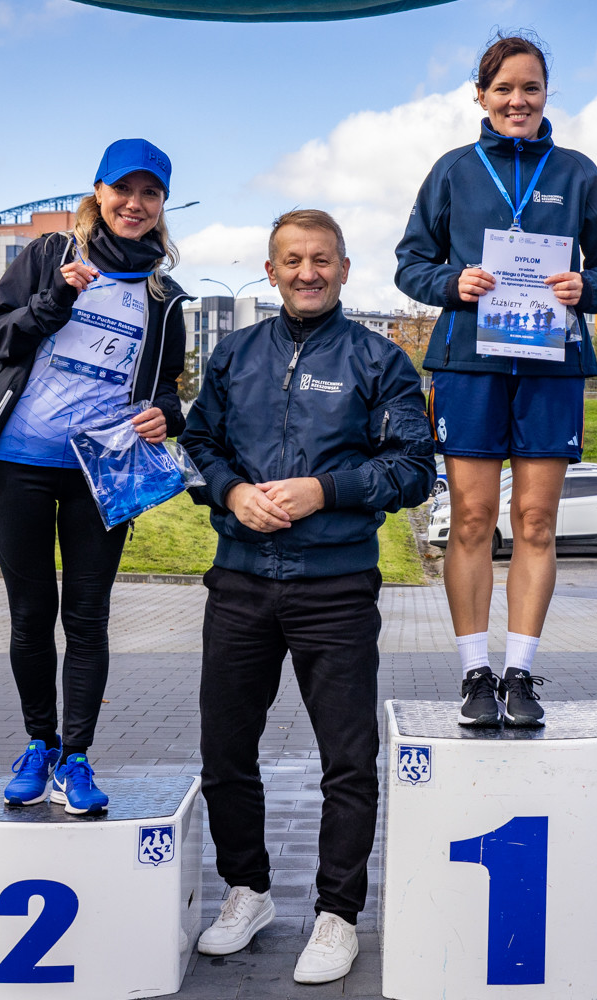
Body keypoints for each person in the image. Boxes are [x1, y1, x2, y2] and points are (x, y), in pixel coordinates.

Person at [181, 210, 434, 984]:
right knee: (226, 753)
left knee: (347, 761)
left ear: (344, 269)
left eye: (321, 259)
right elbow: (198, 443)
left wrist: (324, 490)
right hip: (239, 579)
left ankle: (337, 916)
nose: (307, 272)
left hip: (336, 588)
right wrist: (231, 491)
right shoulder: (234, 354)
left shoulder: (380, 360)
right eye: (292, 260)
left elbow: (413, 469)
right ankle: (247, 891)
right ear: (271, 270)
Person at [395, 32, 597, 727]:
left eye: (530, 88)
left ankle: (522, 674)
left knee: (536, 520)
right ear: (481, 96)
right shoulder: (453, 170)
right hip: (470, 365)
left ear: (546, 94)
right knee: (472, 519)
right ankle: (475, 673)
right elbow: (410, 264)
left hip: (550, 364)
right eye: (503, 88)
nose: (517, 100)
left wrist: (589, 287)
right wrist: (453, 283)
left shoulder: (577, 172)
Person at [0, 138, 188, 816]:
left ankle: (77, 758)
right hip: (16, 466)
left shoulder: (164, 296)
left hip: (101, 475)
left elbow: (166, 389)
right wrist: (54, 299)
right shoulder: (50, 256)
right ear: (98, 191)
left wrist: (165, 417)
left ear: (162, 204)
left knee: (88, 618)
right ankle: (39, 744)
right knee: (31, 614)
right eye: (123, 190)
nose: (134, 203)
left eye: (149, 193)